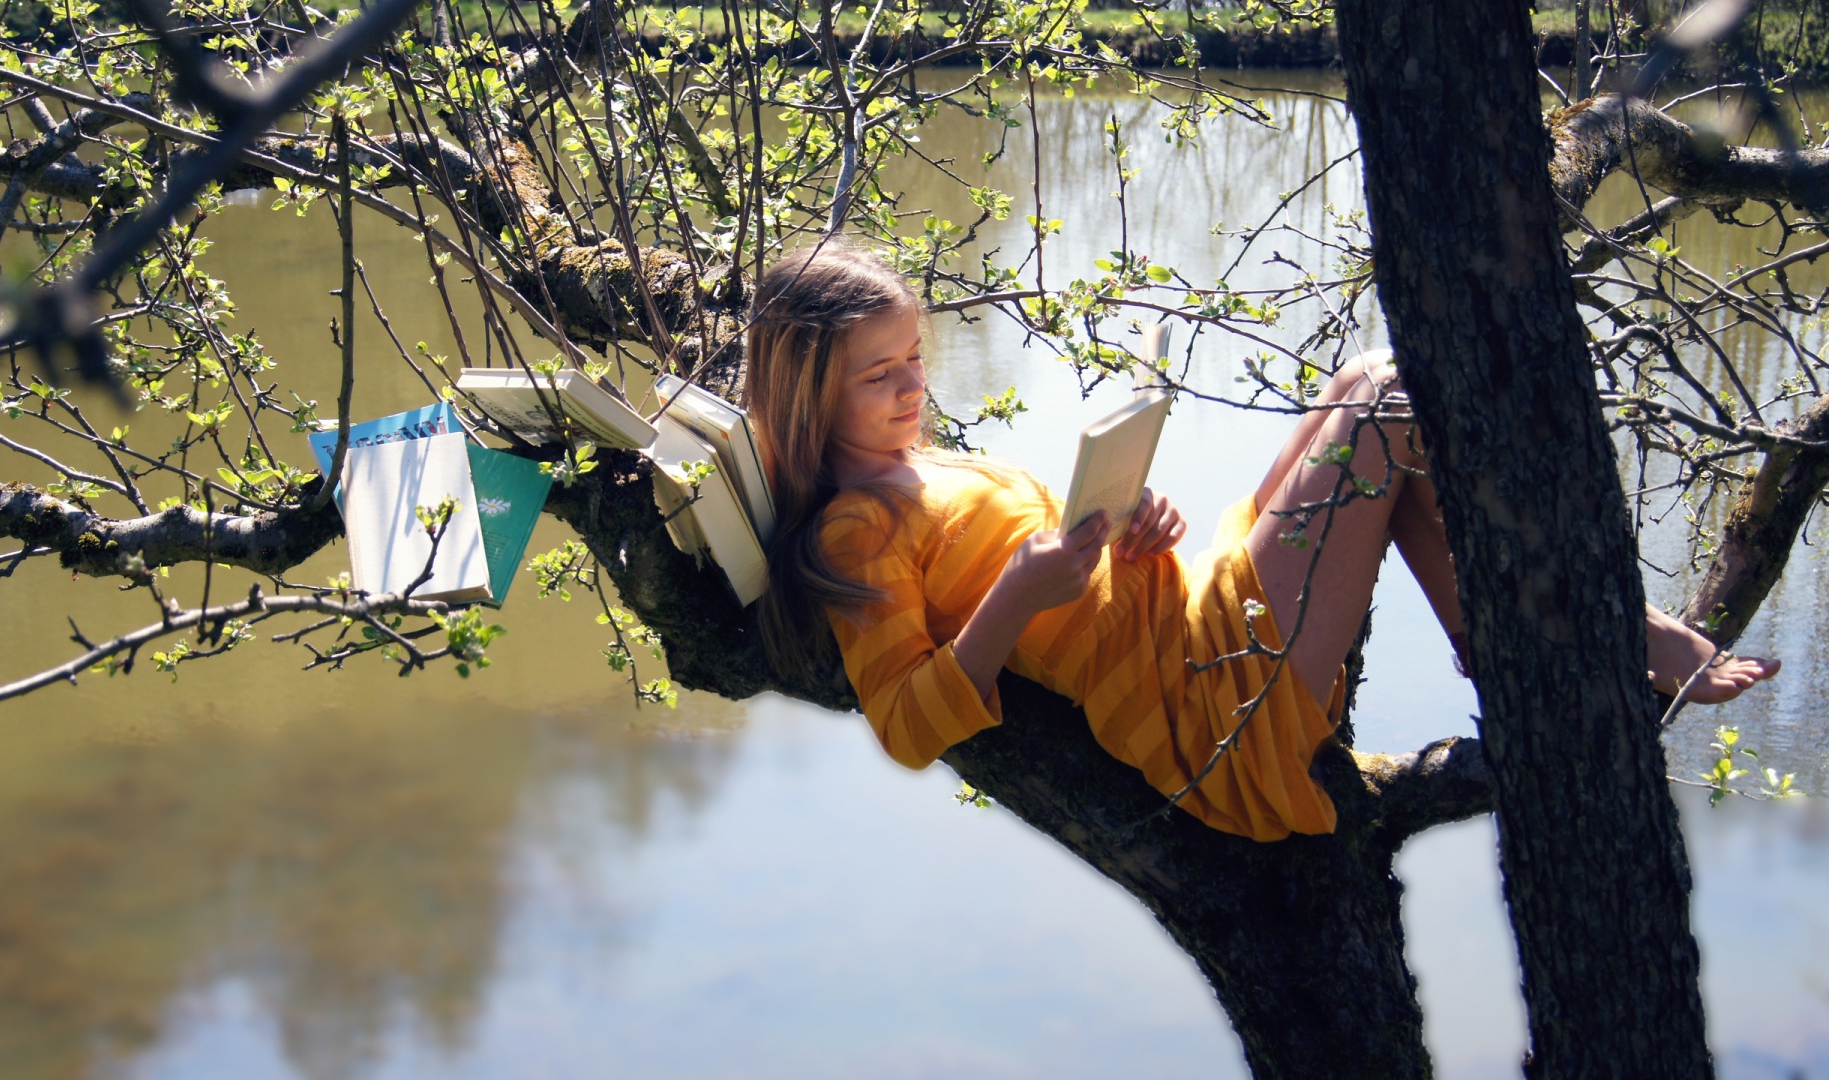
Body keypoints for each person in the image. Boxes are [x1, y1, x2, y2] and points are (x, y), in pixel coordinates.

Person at [744, 245, 1779, 842]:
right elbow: (904, 726)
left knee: (1364, 381)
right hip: (1212, 696)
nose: (917, 385)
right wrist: (1018, 589)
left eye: (918, 357)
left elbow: (1071, 586)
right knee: (1387, 402)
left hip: (1193, 608)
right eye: (883, 375)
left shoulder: (929, 465)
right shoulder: (854, 528)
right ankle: (1593, 631)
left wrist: (1129, 533)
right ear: (807, 388)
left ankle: (1505, 640)